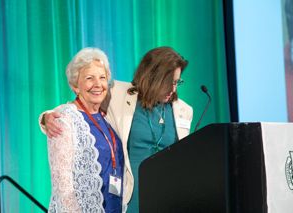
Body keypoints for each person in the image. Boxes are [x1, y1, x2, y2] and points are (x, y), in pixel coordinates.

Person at [40, 46, 193, 212]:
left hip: (166, 200)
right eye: (168, 82)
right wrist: (46, 117)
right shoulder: (119, 94)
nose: (173, 89)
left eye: (177, 82)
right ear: (152, 76)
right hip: (130, 200)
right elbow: (78, 108)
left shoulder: (184, 111)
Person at [44, 47, 125, 212]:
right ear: (75, 85)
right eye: (89, 78)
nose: (97, 84)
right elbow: (63, 187)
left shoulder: (106, 116)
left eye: (102, 78)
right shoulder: (64, 119)